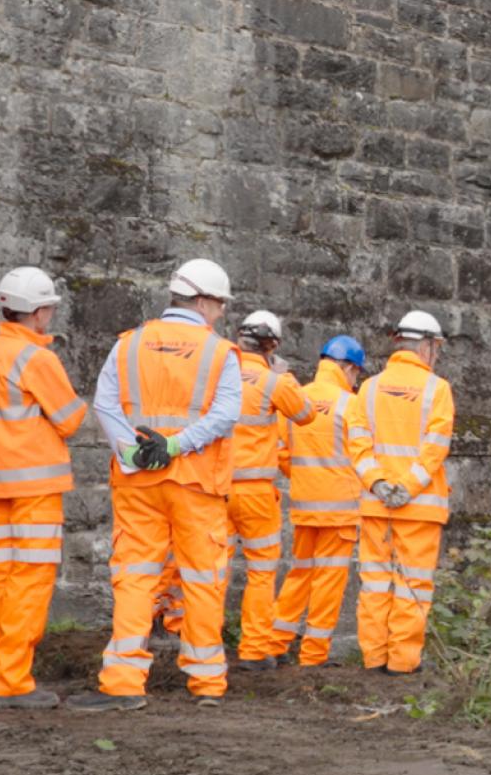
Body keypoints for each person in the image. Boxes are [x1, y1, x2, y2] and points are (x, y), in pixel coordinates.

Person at [70, 258, 242, 712]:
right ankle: (206, 683)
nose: (221, 313)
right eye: (220, 304)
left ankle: (124, 681)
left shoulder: (128, 345)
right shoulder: (219, 352)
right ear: (204, 300)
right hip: (195, 482)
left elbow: (105, 404)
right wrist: (175, 445)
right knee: (203, 578)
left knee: (135, 576)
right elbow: (224, 416)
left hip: (138, 482)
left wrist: (134, 453)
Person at [0, 267, 89, 708]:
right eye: (50, 309)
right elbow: (71, 418)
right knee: (29, 583)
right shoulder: (36, 359)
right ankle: (10, 680)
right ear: (38, 313)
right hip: (34, 485)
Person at [355, 311, 454, 675]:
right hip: (419, 508)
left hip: (375, 505)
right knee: (413, 585)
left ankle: (373, 658)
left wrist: (379, 484)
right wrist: (407, 487)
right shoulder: (437, 389)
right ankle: (402, 663)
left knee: (376, 584)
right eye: (436, 348)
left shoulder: (368, 389)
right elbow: (435, 447)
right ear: (427, 345)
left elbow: (357, 444)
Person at [270, 335, 374, 667]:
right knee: (329, 581)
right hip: (340, 511)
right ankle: (313, 655)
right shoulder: (351, 404)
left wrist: (305, 478)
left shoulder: (297, 398)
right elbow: (361, 456)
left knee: (299, 574)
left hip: (303, 505)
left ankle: (275, 643)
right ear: (348, 368)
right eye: (356, 374)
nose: (356, 380)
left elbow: (282, 454)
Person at [228, 310, 316, 670]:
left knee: (208, 571)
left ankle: (199, 646)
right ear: (272, 346)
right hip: (256, 494)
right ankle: (253, 651)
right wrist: (285, 375)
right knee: (261, 572)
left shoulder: (217, 376)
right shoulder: (272, 381)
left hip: (213, 489)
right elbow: (306, 413)